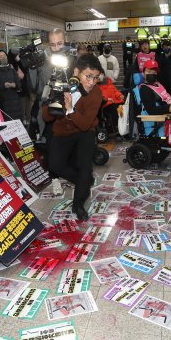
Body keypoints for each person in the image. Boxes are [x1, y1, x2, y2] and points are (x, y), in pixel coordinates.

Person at [41, 54, 105, 221]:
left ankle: (78, 204)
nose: (91, 82)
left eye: (96, 78)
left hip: (85, 131)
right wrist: (51, 99)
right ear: (77, 71)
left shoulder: (96, 94)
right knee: (55, 165)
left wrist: (70, 109)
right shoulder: (61, 85)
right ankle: (83, 181)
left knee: (85, 166)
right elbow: (47, 118)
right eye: (88, 76)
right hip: (62, 131)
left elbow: (84, 124)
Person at [0, 50, 23, 122]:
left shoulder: (11, 68)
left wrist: (15, 85)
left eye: (4, 55)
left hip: (15, 100)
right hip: (3, 100)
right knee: (7, 120)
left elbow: (18, 83)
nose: (3, 57)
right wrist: (4, 85)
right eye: (1, 56)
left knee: (18, 120)